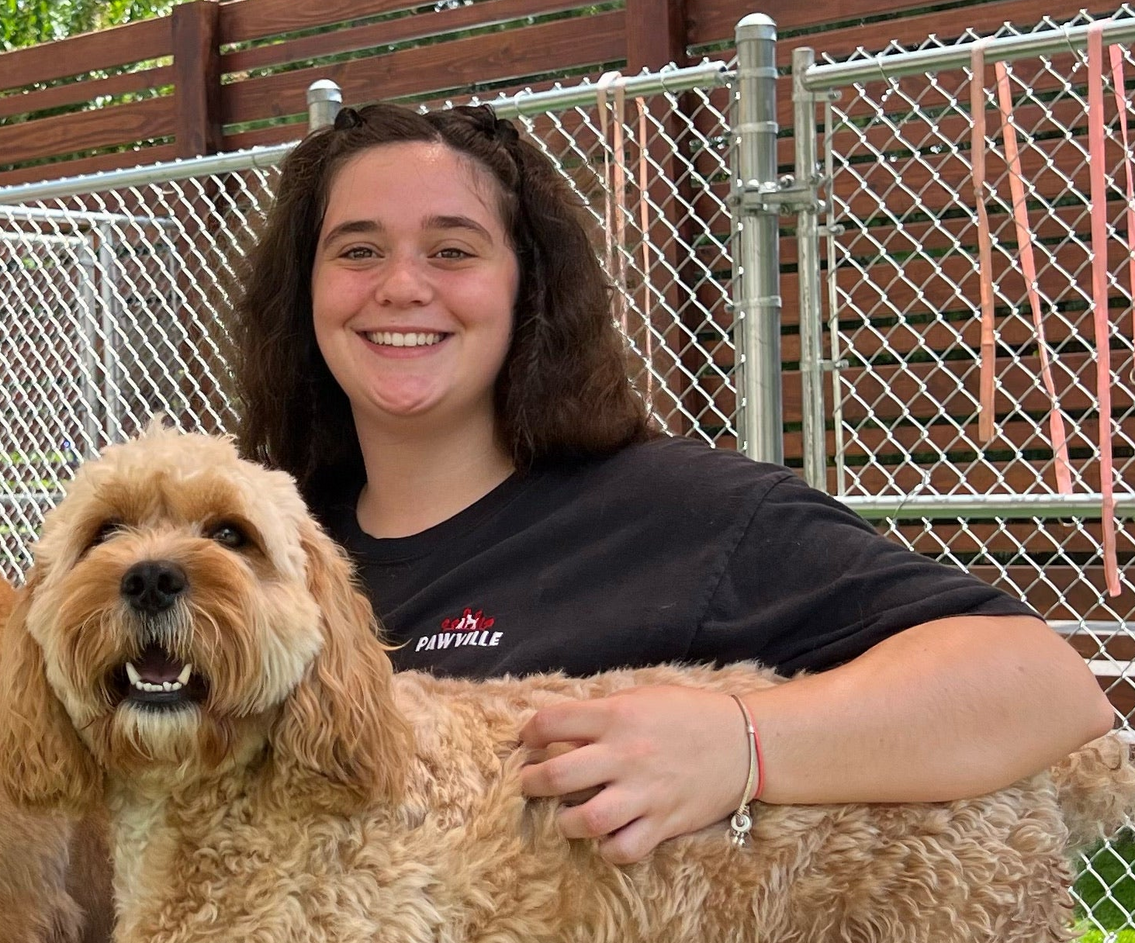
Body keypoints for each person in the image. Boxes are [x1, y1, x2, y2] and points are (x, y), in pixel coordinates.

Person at [227, 102, 1116, 865]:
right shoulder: (255, 554)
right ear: (303, 293)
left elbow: (1041, 684)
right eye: (356, 251)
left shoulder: (674, 515)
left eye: (453, 250)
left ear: (528, 288)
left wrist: (742, 744)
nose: (401, 286)